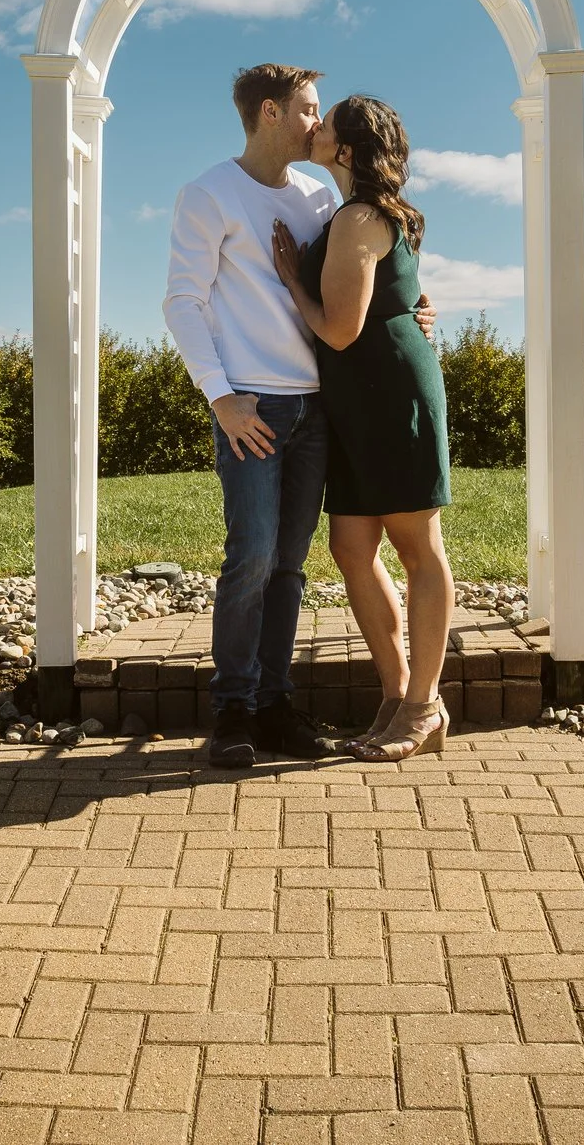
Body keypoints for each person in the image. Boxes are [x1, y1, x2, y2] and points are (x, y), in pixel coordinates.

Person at [163, 64, 435, 769]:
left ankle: (276, 703)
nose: (319, 123)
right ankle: (232, 710)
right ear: (270, 112)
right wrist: (220, 395)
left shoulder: (320, 196)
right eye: (309, 109)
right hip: (251, 404)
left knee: (289, 564)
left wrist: (415, 308)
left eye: (324, 113)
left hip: (318, 407)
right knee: (250, 556)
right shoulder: (208, 193)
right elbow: (182, 302)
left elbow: (364, 272)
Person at [271, 94, 456, 763]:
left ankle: (423, 703)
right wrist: (420, 311)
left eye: (327, 123)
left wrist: (294, 280)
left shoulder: (356, 216)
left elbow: (342, 328)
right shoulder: (362, 212)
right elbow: (404, 296)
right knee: (352, 547)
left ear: (346, 150)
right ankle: (398, 693)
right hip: (358, 397)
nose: (314, 128)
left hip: (387, 394)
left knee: (417, 548)